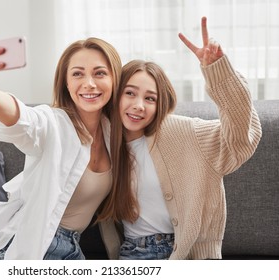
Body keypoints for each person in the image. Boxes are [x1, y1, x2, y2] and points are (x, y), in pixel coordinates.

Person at [98, 17, 262, 260]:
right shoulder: (102, 138)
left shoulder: (183, 133)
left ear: (160, 104)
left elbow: (242, 140)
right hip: (134, 254)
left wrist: (219, 73)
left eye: (150, 98)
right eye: (130, 93)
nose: (138, 106)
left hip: (188, 254)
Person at [0, 36, 122, 259]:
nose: (89, 83)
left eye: (99, 73)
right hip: (33, 246)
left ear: (115, 79)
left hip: (72, 249)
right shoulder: (53, 123)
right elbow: (21, 119)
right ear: (66, 82)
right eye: (77, 73)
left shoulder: (115, 133)